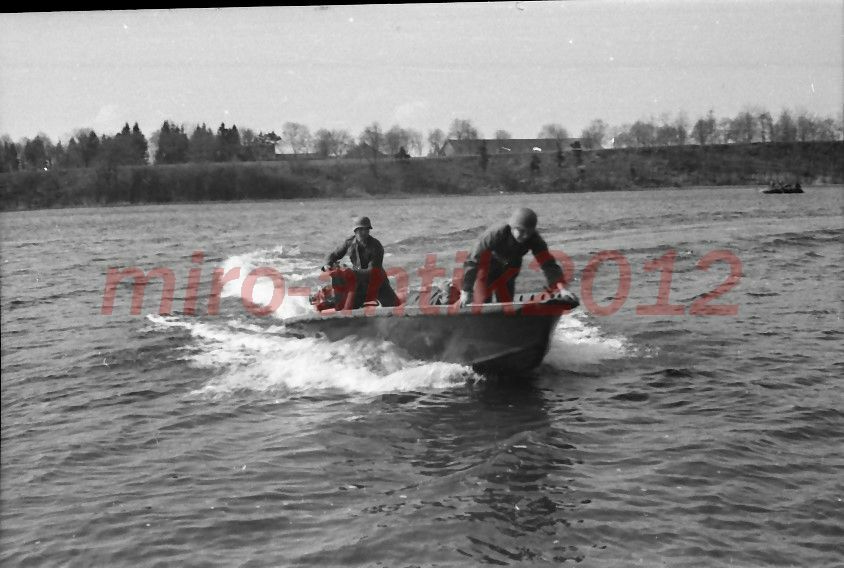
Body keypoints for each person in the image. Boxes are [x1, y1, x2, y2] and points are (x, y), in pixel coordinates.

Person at [457, 207, 574, 307]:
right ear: (512, 227)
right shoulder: (495, 234)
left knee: (506, 304)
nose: (525, 236)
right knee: (481, 302)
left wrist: (562, 289)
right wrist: (466, 290)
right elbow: (473, 261)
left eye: (529, 232)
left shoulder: (535, 239)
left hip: (510, 267)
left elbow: (548, 264)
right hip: (486, 266)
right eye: (521, 231)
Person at [322, 216, 400, 309]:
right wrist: (327, 264)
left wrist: (351, 273)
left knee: (395, 307)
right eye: (361, 230)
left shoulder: (376, 246)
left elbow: (373, 271)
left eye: (367, 229)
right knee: (347, 305)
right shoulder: (349, 242)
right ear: (355, 231)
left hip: (377, 283)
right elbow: (334, 254)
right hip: (358, 284)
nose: (364, 232)